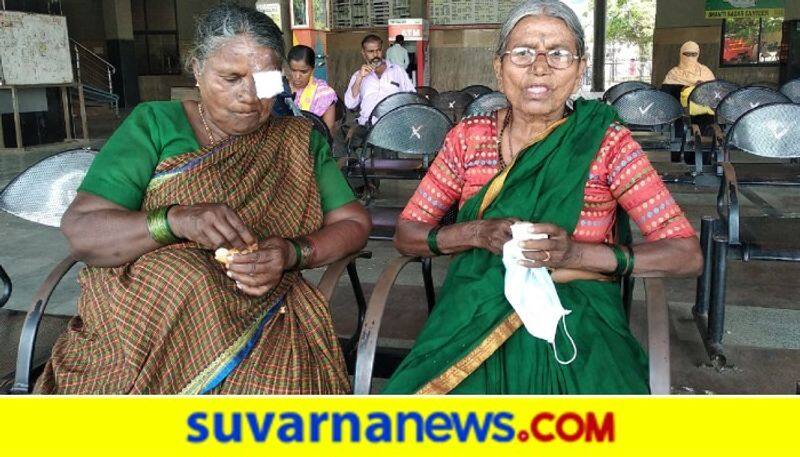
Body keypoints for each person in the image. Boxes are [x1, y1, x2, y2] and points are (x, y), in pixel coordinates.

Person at [35, 4, 371, 394]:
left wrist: (291, 254)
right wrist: (174, 220)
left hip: (263, 312)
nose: (248, 96)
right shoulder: (155, 124)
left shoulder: (297, 140)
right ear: (197, 69)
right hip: (145, 320)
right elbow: (84, 231)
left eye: (264, 82)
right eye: (230, 78)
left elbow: (353, 224)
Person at [384, 0, 702, 394]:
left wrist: (575, 254)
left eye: (558, 53)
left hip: (578, 313)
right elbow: (408, 233)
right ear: (499, 68)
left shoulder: (606, 142)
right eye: (522, 53)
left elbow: (686, 253)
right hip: (472, 308)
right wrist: (476, 233)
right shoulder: (469, 138)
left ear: (580, 69)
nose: (539, 66)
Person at [344, 34, 415, 127]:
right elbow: (350, 104)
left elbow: (411, 97)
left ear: (382, 50)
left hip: (395, 125)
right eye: (371, 51)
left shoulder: (397, 71)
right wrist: (359, 79)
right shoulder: (358, 75)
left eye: (378, 50)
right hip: (367, 126)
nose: (375, 55)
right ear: (363, 53)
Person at [287, 45, 338, 133]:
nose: (297, 76)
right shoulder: (278, 88)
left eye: (304, 72)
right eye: (293, 70)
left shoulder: (324, 93)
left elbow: (328, 131)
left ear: (312, 69)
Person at [663, 41, 716, 115]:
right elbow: (666, 95)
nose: (690, 57)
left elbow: (715, 90)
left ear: (698, 54)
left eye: (693, 54)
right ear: (681, 54)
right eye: (687, 54)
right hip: (679, 113)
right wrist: (684, 88)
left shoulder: (705, 71)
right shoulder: (674, 73)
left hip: (703, 113)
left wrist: (703, 86)